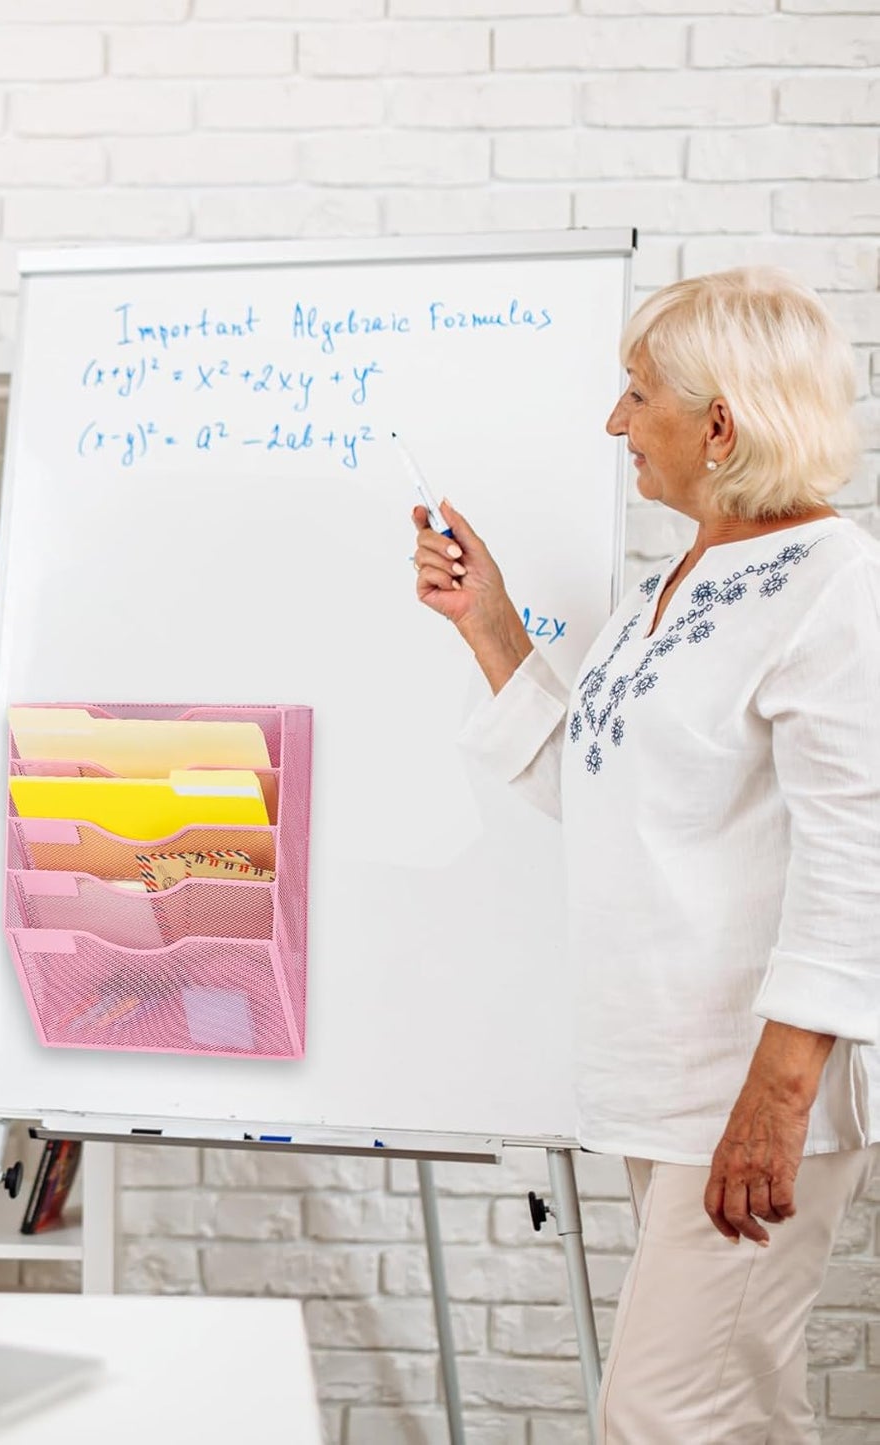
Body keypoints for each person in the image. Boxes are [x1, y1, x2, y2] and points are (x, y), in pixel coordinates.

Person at [413, 267, 880, 1442]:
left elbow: (854, 860)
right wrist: (490, 625)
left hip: (749, 1092)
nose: (613, 422)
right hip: (662, 1084)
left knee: (661, 1413)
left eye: (635, 394)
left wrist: (773, 1101)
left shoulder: (834, 590)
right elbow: (603, 785)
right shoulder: (667, 581)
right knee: (738, 1408)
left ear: (717, 424)